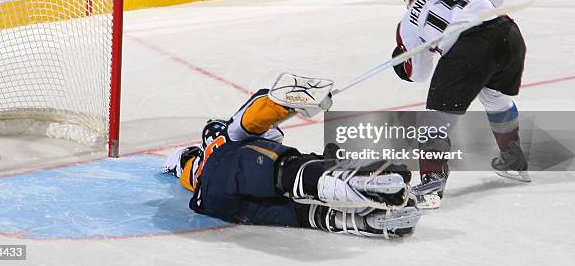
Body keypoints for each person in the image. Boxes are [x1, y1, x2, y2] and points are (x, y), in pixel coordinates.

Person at [163, 87, 420, 237]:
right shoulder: (229, 139)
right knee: (286, 168)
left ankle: (358, 221)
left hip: (216, 205)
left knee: (296, 211)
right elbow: (251, 117)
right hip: (232, 173)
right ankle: (344, 180)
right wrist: (289, 101)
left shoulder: (193, 162)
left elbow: (175, 162)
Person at [392, 0, 530, 208]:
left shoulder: (407, 23)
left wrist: (401, 64)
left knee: (434, 121)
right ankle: (514, 161)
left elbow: (419, 73)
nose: (408, 3)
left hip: (471, 49)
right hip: (509, 34)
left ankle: (431, 186)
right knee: (495, 97)